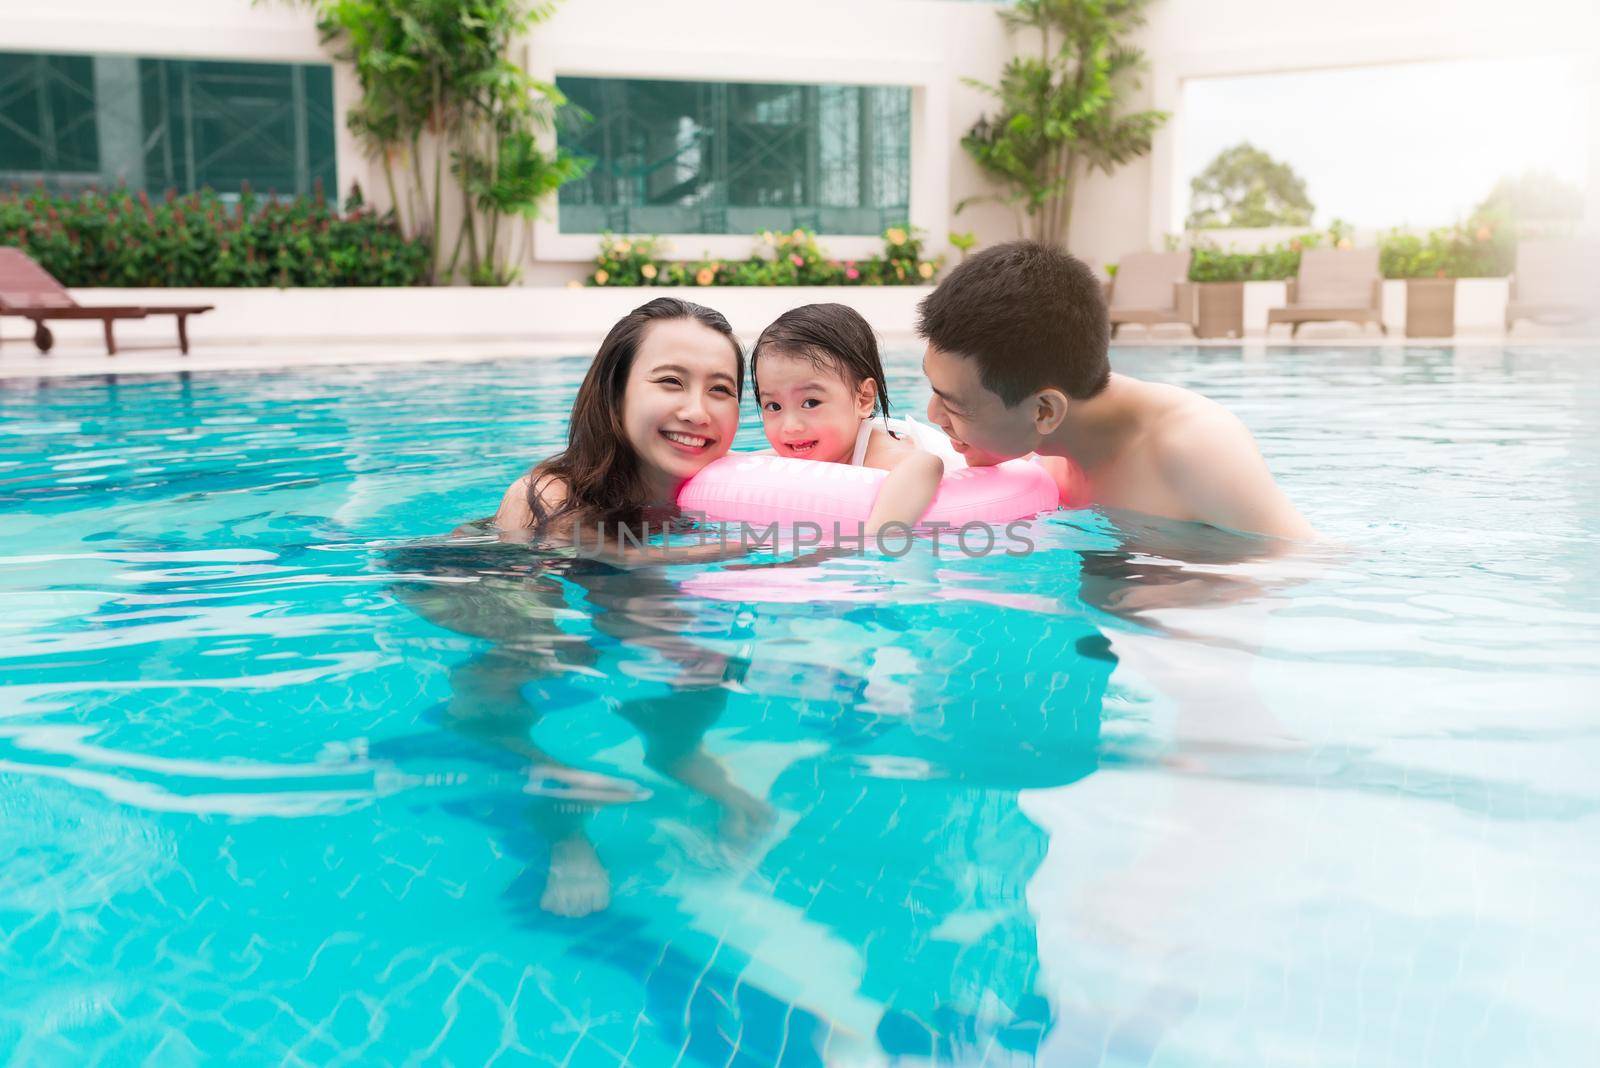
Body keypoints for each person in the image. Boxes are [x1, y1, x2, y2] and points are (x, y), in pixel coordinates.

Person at [917, 241, 1315, 540]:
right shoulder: (1038, 450)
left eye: (955, 405)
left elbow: (1303, 563)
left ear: (1043, 412)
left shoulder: (1193, 449)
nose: (934, 415)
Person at [752, 303, 951, 533]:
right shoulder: (807, 443)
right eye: (773, 406)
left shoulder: (883, 453)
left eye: (811, 403)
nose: (790, 426)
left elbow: (927, 464)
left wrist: (871, 540)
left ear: (863, 399)